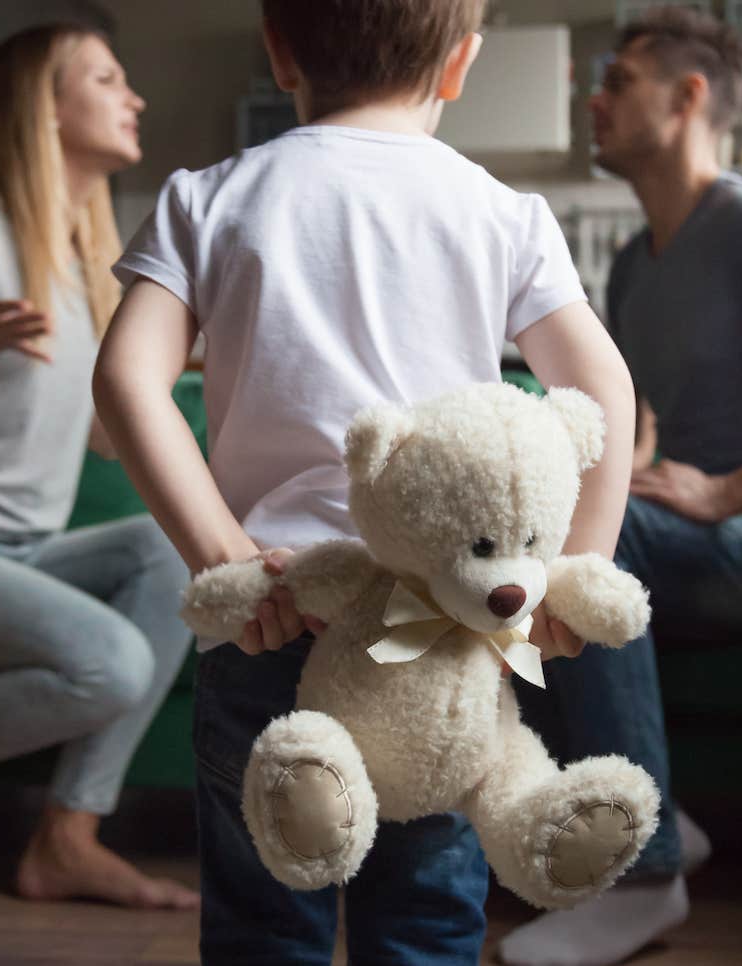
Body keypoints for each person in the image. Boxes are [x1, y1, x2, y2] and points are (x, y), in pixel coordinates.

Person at [92, 1, 641, 962]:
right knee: (426, 918)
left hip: (278, 609)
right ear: (462, 62)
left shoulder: (206, 197)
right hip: (444, 627)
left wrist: (223, 555)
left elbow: (126, 379)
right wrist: (571, 570)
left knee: (268, 917)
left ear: (277, 49)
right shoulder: (501, 211)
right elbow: (601, 387)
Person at [499, 8, 742, 966]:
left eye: (618, 79)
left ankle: (647, 872)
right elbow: (642, 422)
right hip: (700, 536)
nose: (596, 98)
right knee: (511, 562)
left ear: (690, 95)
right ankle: (657, 814)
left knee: (595, 547)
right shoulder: (628, 270)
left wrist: (724, 493)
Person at [0, 23, 198, 909]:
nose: (136, 98)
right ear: (45, 108)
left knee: (177, 554)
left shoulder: (92, 267)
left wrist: (184, 362)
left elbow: (105, 442)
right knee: (113, 664)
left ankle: (66, 839)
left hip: (23, 545)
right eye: (109, 78)